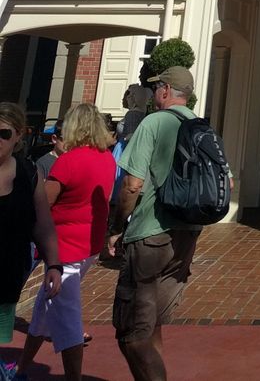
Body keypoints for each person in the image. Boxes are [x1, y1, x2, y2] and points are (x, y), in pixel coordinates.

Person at [106, 66, 202, 381]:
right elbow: (225, 182)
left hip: (150, 234)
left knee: (132, 334)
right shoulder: (200, 127)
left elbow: (132, 184)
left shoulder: (154, 122)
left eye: (157, 88)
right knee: (153, 324)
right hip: (185, 237)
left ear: (165, 90)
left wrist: (116, 227)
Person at [14, 103, 116, 381]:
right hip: (88, 245)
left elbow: (43, 202)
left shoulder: (69, 161)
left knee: (68, 320)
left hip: (64, 250)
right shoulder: (107, 158)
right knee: (43, 310)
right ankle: (21, 370)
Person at [0, 103, 62, 365]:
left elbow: (43, 223)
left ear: (18, 136)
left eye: (4, 134)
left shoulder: (28, 173)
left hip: (7, 273)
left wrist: (54, 264)